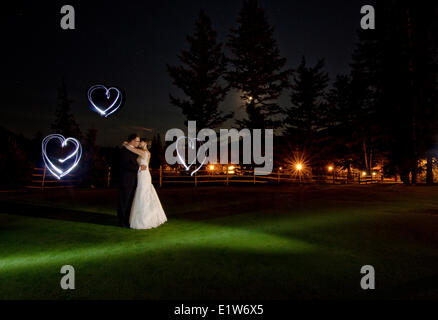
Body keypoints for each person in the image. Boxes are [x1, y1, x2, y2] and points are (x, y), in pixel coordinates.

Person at [122, 138, 167, 229]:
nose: (139, 142)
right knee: (144, 194)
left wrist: (126, 144)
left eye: (141, 141)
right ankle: (148, 217)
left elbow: (131, 149)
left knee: (142, 194)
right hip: (144, 174)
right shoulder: (146, 153)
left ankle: (144, 219)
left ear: (145, 143)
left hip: (143, 175)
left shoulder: (143, 152)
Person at [117, 134, 146, 228]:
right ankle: (121, 221)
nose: (138, 143)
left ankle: (127, 220)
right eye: (137, 141)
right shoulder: (124, 151)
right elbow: (124, 164)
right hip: (125, 180)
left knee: (129, 201)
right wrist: (138, 167)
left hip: (132, 179)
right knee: (124, 201)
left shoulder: (131, 150)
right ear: (132, 141)